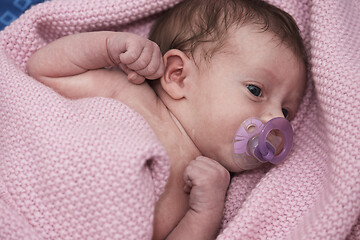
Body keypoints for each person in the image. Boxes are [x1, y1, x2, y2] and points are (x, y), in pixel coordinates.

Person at [26, 0, 307, 239]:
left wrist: (206, 211)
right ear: (178, 76)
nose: (274, 121)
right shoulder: (129, 93)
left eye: (286, 112)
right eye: (255, 90)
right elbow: (44, 71)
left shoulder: (205, 187)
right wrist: (108, 46)